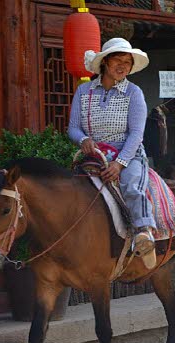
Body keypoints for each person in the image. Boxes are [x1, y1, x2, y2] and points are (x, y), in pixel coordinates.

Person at [68, 37, 157, 268]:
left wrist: (120, 163)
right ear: (105, 62)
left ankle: (143, 233)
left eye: (127, 63)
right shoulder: (83, 91)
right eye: (118, 60)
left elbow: (137, 134)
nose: (123, 66)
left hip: (127, 154)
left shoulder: (134, 93)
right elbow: (73, 128)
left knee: (131, 186)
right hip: (93, 154)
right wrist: (84, 139)